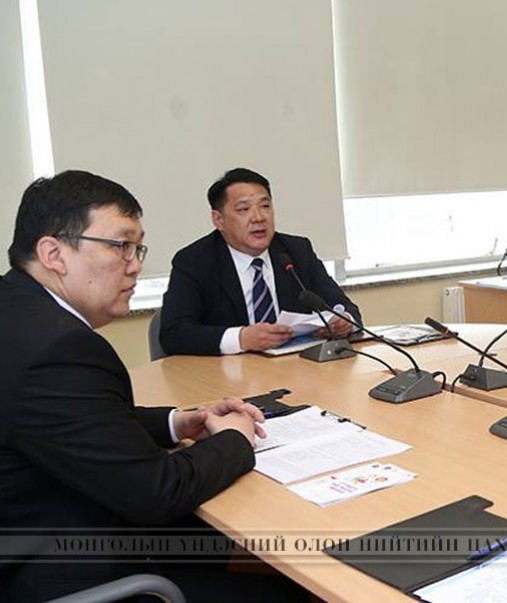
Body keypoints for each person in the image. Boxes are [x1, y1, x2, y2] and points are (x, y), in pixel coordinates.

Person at [0, 171, 300, 601]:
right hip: (59, 568)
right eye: (121, 246)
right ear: (54, 253)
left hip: (39, 523)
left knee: (216, 533)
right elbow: (160, 492)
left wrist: (180, 422)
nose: (135, 264)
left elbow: (82, 421)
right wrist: (235, 438)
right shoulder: (58, 349)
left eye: (137, 248)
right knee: (289, 592)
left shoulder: (17, 310)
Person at [160, 167, 362, 356]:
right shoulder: (195, 261)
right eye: (243, 209)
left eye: (265, 206)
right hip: (227, 373)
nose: (258, 217)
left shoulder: (296, 251)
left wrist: (344, 322)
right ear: (219, 220)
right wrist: (241, 338)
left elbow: (345, 308)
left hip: (295, 369)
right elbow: (173, 333)